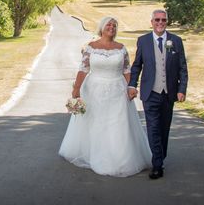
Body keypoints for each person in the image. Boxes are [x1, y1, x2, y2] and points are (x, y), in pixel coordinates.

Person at [59, 16, 151, 177]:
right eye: (109, 24)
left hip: (117, 90)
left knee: (118, 123)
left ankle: (119, 158)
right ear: (101, 27)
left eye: (114, 25)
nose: (112, 27)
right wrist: (76, 89)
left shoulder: (121, 48)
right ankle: (94, 154)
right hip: (93, 90)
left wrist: (131, 87)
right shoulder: (91, 47)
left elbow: (127, 70)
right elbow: (83, 69)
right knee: (96, 122)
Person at [128, 9, 188, 180]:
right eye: (157, 20)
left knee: (164, 128)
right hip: (150, 93)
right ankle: (157, 165)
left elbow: (183, 68)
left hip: (169, 94)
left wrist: (181, 89)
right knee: (153, 128)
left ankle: (160, 156)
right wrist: (132, 84)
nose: (160, 23)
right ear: (151, 21)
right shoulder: (143, 41)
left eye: (163, 20)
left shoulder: (176, 41)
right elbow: (137, 66)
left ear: (167, 21)